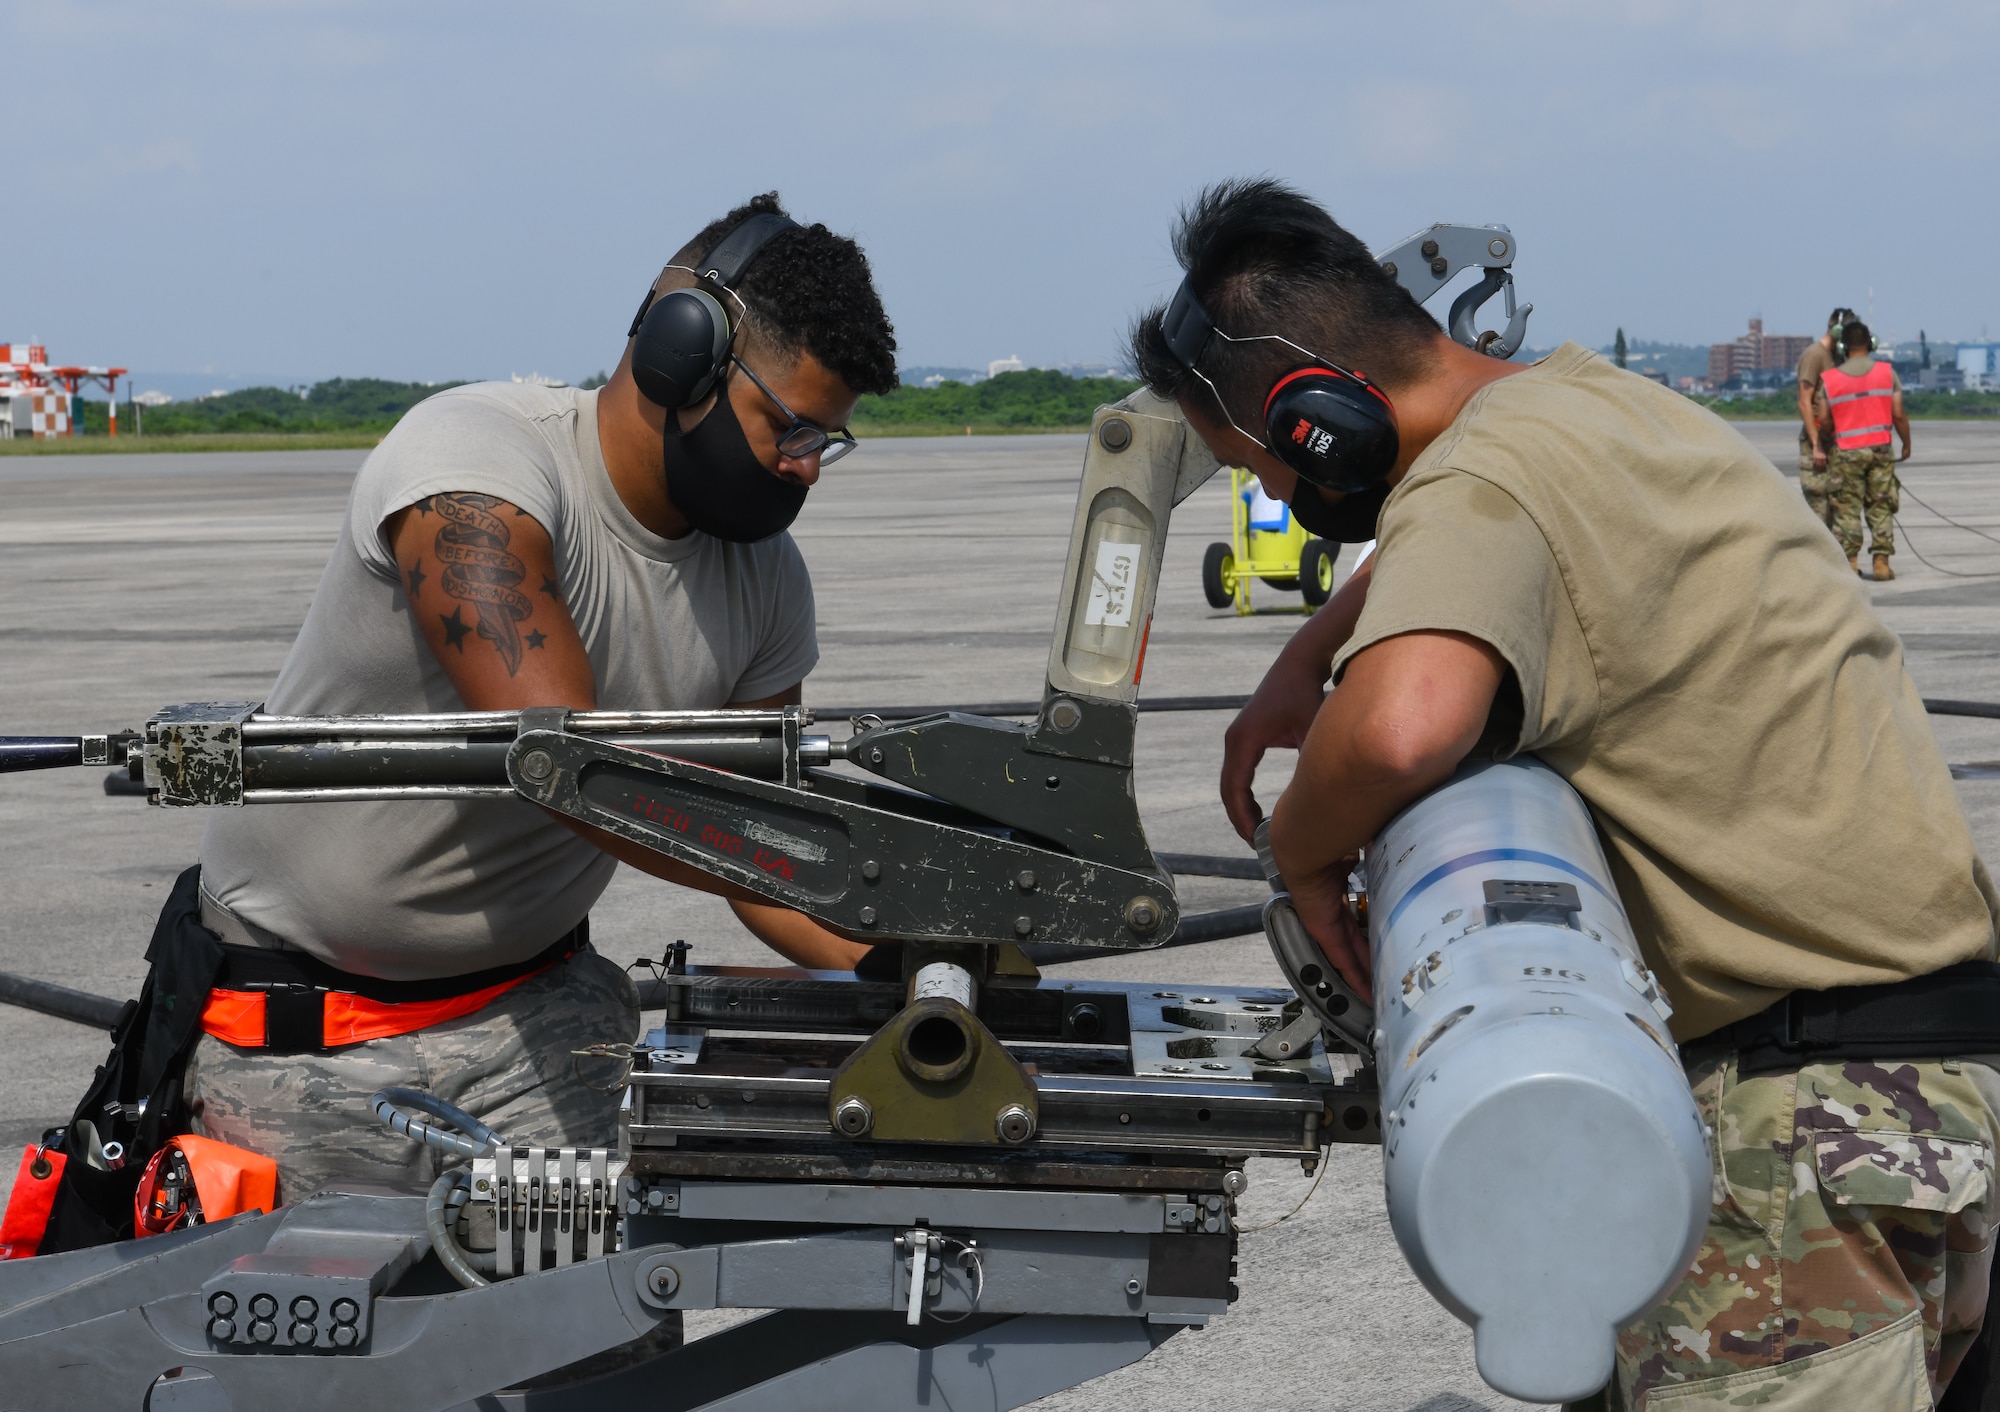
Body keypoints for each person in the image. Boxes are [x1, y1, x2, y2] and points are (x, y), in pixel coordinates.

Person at [1129, 179, 2000, 1409]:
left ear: (1319, 418)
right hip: (1918, 1088)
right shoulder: (1587, 404)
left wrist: (1302, 855)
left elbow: (1397, 729)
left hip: (1796, 1129)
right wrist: (1307, 649)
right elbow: (1507, 538)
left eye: (1260, 466)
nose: (1274, 500)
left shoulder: (1477, 483)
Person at [185, 192, 898, 1199]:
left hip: (540, 1022)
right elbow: (570, 766)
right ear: (677, 353)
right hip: (307, 1037)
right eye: (788, 427)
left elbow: (764, 853)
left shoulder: (765, 581)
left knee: (607, 1339)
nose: (804, 470)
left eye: (827, 442)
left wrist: (910, 957)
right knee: (321, 1347)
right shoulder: (476, 467)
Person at [1822, 319, 1912, 582]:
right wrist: (1906, 443)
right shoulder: (1887, 373)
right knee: (1881, 505)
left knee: (1846, 508)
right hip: (1880, 450)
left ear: (1843, 346)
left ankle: (1850, 561)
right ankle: (1882, 563)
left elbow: (1825, 419)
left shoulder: (1830, 379)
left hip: (1846, 451)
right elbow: (1899, 415)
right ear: (1871, 343)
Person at [1796, 306, 1855, 547]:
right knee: (1818, 509)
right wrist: (1817, 444)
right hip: (1818, 443)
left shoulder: (1838, 357)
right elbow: (1804, 402)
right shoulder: (1815, 355)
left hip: (1836, 442)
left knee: (1839, 507)